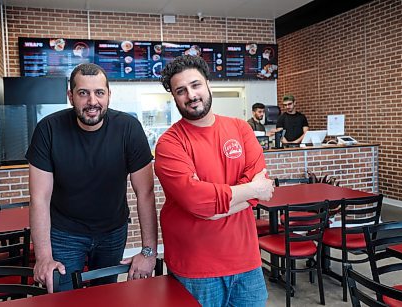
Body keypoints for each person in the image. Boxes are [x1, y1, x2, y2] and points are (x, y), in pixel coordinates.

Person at [154, 55, 274, 307]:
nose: (191, 95)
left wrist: (214, 206)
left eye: (195, 85)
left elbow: (258, 185)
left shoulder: (241, 129)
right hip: (196, 268)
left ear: (208, 84)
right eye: (181, 91)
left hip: (247, 262)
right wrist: (251, 190)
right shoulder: (169, 143)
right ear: (174, 97)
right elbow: (199, 201)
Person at [26, 63, 158, 292]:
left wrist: (148, 251)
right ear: (70, 96)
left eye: (99, 93)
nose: (92, 102)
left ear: (109, 95)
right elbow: (39, 197)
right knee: (63, 297)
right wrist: (44, 257)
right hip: (64, 233)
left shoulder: (129, 128)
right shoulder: (48, 129)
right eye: (83, 93)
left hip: (113, 232)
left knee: (105, 295)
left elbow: (145, 193)